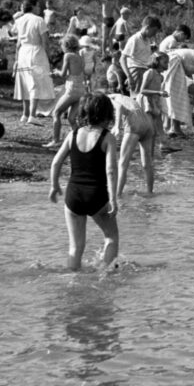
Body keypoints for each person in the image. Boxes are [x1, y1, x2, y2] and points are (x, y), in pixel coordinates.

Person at [49, 94, 120, 270]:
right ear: (107, 114)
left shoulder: (72, 135)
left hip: (74, 195)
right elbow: (111, 170)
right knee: (111, 237)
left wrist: (54, 185)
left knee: (75, 247)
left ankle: (72, 280)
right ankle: (105, 276)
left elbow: (56, 162)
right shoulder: (107, 137)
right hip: (97, 196)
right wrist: (113, 199)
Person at [12, 0, 56, 124]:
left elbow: (18, 43)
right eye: (38, 5)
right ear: (33, 6)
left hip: (23, 53)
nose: (39, 8)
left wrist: (16, 59)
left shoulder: (19, 20)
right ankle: (32, 115)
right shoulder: (39, 20)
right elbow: (45, 41)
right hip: (36, 52)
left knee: (25, 82)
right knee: (35, 83)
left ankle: (25, 114)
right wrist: (48, 57)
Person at [111, 92, 157, 195]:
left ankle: (118, 196)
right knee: (147, 163)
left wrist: (117, 126)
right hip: (147, 123)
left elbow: (118, 107)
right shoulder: (126, 98)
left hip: (134, 122)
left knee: (122, 163)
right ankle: (150, 192)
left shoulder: (111, 98)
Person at [46, 34, 86, 147]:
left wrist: (56, 72)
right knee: (71, 118)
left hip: (72, 89)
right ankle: (81, 141)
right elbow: (76, 73)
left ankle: (55, 140)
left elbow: (63, 74)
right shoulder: (79, 56)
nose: (62, 48)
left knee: (56, 113)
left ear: (67, 45)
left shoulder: (68, 55)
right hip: (81, 89)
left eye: (62, 45)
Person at [120, 15, 162, 95]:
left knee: (144, 99)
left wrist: (152, 50)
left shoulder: (147, 40)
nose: (154, 34)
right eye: (154, 31)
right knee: (137, 98)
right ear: (147, 27)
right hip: (137, 70)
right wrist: (129, 76)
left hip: (145, 70)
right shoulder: (134, 39)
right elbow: (122, 59)